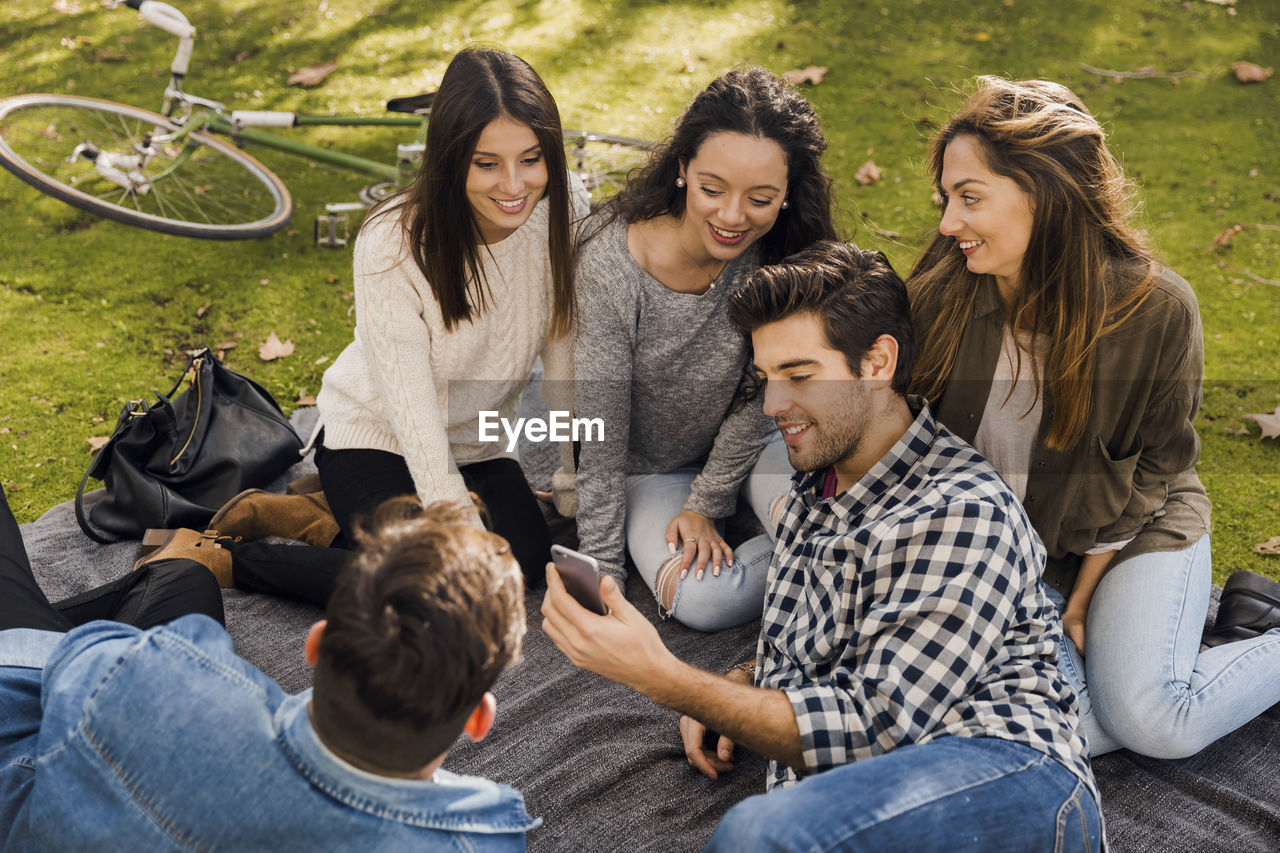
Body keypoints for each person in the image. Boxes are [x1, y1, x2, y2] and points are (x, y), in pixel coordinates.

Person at [542, 242, 1102, 851]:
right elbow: (832, 647)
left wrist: (665, 677)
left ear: (877, 362)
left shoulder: (959, 508)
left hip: (1007, 777)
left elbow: (871, 728)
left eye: (800, 375)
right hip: (860, 803)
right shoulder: (818, 491)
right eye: (766, 379)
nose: (773, 405)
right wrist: (740, 686)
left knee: (761, 833)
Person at [908, 76, 1280, 758]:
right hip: (1012, 557)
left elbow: (1156, 471)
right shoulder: (941, 297)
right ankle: (1229, 618)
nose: (946, 224)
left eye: (969, 198)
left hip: (1134, 532)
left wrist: (1079, 602)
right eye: (947, 198)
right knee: (1055, 729)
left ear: (1043, 194)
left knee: (1153, 722)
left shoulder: (1158, 310)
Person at [138, 47, 589, 602]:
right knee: (438, 586)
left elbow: (565, 349)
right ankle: (223, 559)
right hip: (377, 435)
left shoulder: (564, 214)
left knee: (521, 569)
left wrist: (571, 472)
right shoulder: (392, 242)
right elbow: (411, 406)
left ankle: (316, 515)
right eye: (486, 163)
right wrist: (455, 519)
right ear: (451, 158)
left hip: (482, 442)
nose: (514, 185)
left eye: (531, 159)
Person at [1, 487, 536, 849]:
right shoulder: (485, 833)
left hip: (27, 770)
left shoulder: (164, 676)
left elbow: (72, 665)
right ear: (478, 720)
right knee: (186, 578)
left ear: (317, 644)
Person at [569, 66, 839, 631]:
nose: (733, 216)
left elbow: (763, 391)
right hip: (648, 470)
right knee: (707, 599)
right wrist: (601, 576)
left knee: (827, 523)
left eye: (761, 198)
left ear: (788, 195)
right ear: (682, 168)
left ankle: (841, 550)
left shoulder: (783, 254)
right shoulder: (610, 263)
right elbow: (601, 428)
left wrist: (708, 502)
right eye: (712, 190)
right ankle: (845, 561)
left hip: (764, 439)